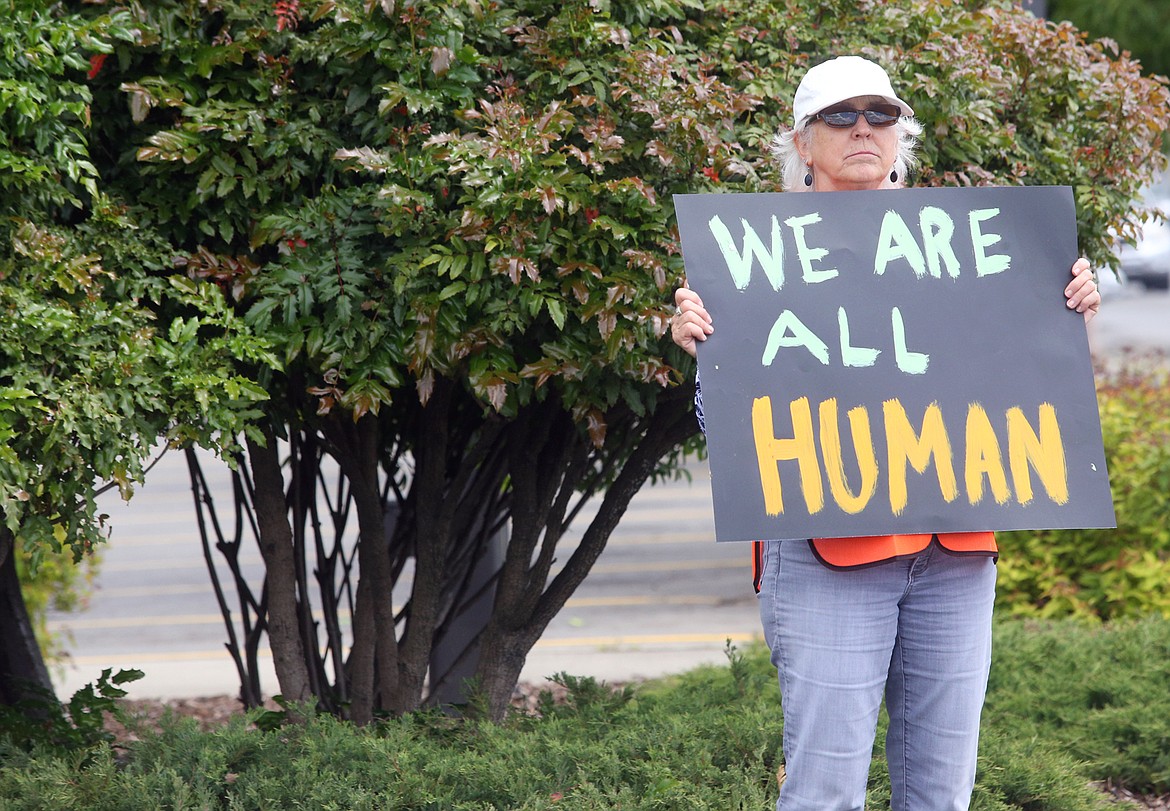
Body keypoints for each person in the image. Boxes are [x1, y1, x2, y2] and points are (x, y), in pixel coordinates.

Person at [670, 56, 1101, 811]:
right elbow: (728, 432)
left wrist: (1065, 316)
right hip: (828, 551)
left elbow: (1019, 386)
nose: (863, 128)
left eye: (880, 113)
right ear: (803, 144)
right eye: (840, 115)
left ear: (902, 132)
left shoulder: (978, 247)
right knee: (824, 793)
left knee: (942, 795)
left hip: (957, 554)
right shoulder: (754, 260)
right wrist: (706, 352)